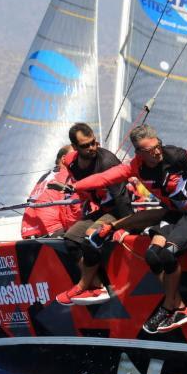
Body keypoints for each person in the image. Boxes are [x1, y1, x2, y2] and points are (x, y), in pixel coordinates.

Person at [65, 124, 187, 334]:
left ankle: (170, 307)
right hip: (174, 214)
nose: (157, 151)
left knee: (169, 252)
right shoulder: (135, 167)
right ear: (139, 153)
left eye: (158, 145)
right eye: (150, 150)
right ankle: (177, 306)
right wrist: (74, 187)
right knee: (153, 256)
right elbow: (104, 178)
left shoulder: (174, 155)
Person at [50, 123, 135, 306]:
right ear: (75, 147)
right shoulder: (71, 162)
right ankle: (95, 286)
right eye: (86, 145)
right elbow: (83, 186)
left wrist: (129, 227)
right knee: (71, 239)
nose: (92, 148)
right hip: (101, 209)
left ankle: (83, 286)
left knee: (91, 236)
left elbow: (122, 199)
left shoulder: (107, 162)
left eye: (94, 143)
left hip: (117, 210)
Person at [20, 145, 81, 239]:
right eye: (75, 155)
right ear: (64, 159)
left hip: (29, 230)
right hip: (52, 229)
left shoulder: (45, 176)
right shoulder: (67, 175)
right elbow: (70, 207)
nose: (78, 158)